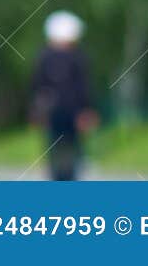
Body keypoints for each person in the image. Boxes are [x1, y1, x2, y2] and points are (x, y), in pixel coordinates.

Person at [29, 10, 99, 180]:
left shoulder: (44, 57)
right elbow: (83, 88)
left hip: (57, 114)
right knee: (69, 153)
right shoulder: (77, 57)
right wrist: (86, 110)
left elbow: (37, 87)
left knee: (58, 152)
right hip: (68, 114)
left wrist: (37, 112)